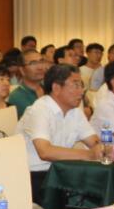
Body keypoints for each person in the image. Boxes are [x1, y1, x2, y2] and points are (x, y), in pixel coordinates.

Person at [17, 64, 102, 201]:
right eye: (76, 85)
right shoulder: (39, 109)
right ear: (56, 88)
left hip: (60, 173)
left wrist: (100, 148)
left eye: (81, 86)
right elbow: (45, 152)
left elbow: (94, 142)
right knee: (85, 198)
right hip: (33, 177)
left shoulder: (75, 111)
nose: (81, 91)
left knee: (99, 189)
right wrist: (89, 154)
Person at [9, 50, 47, 117]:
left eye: (41, 61)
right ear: (22, 70)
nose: (40, 67)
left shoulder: (50, 90)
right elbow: (39, 118)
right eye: (33, 63)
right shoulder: (17, 96)